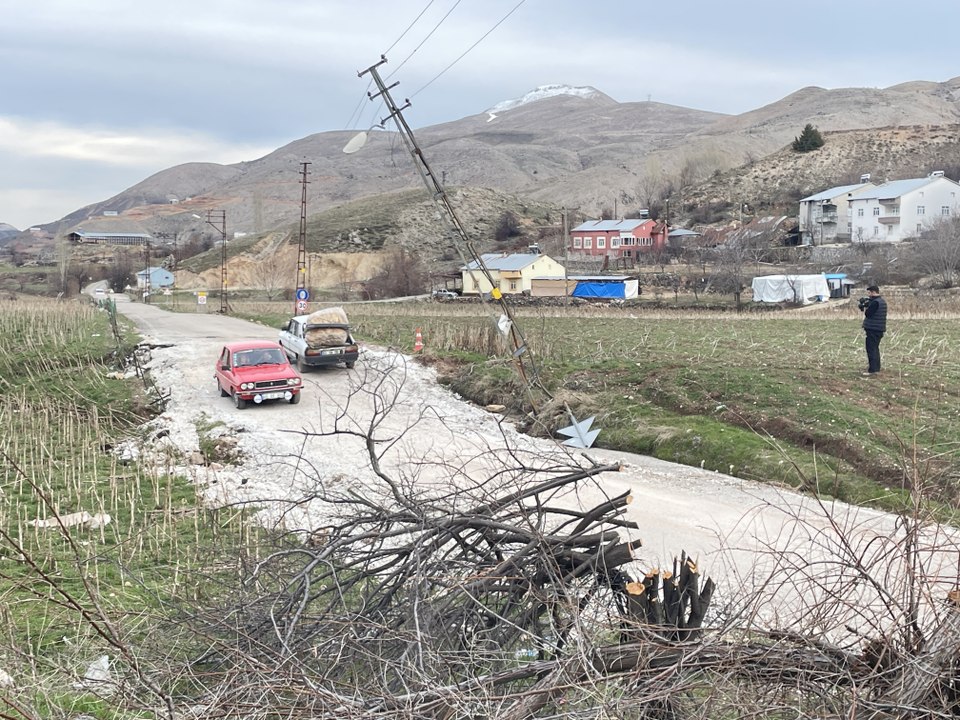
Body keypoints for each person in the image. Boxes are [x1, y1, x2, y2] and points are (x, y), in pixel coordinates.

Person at [860, 285, 887, 376]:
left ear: (873, 292)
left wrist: (865, 306)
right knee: (875, 348)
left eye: (869, 292)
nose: (868, 295)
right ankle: (876, 368)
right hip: (879, 329)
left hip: (873, 329)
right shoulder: (882, 302)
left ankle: (873, 370)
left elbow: (868, 314)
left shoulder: (875, 303)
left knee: (871, 349)